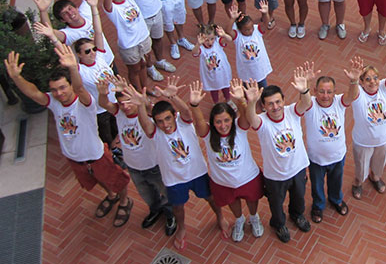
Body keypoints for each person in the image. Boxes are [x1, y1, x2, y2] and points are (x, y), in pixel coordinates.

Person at [5, 46, 132, 227]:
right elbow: (34, 93)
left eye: (63, 87)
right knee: (97, 180)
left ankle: (125, 201)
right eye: (54, 89)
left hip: (96, 155)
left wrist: (73, 67)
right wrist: (17, 77)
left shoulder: (84, 103)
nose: (59, 93)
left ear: (70, 85)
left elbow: (80, 89)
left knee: (117, 180)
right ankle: (111, 196)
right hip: (74, 158)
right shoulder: (54, 103)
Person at [120, 78, 227, 251]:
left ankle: (220, 217)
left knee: (210, 197)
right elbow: (145, 125)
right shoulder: (155, 132)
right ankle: (182, 227)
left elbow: (186, 111)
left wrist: (173, 97)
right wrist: (141, 105)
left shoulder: (184, 124)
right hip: (174, 179)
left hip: (197, 172)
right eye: (160, 121)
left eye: (168, 119)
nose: (165, 124)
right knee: (178, 206)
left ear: (174, 116)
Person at [34, 0, 119, 150]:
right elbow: (55, 39)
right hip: (99, 111)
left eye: (93, 49)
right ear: (78, 55)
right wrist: (45, 16)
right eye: (87, 51)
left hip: (113, 102)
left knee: (118, 129)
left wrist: (94, 8)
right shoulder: (79, 69)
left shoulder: (100, 57)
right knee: (106, 136)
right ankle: (112, 154)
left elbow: (98, 30)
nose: (92, 52)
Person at [241, 63, 316, 243]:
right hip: (275, 176)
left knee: (299, 198)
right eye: (270, 104)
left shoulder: (292, 112)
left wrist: (304, 89)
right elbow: (251, 118)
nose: (275, 107)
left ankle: (297, 215)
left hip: (297, 169)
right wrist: (251, 102)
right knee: (276, 204)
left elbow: (307, 103)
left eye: (278, 102)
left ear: (283, 100)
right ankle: (279, 223)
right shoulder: (262, 122)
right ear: (264, 106)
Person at [96, 76, 176, 235]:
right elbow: (103, 103)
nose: (125, 106)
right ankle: (155, 210)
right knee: (147, 194)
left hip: (154, 166)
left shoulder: (147, 114)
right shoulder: (119, 113)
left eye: (129, 101)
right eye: (121, 103)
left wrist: (142, 100)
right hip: (133, 167)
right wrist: (103, 93)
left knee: (166, 193)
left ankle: (171, 215)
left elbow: (149, 107)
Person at [189, 79, 265, 242]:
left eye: (226, 120)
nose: (223, 125)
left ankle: (253, 217)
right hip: (223, 181)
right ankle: (239, 220)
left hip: (247, 177)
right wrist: (194, 106)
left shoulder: (240, 127)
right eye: (218, 121)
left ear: (232, 119)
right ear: (213, 122)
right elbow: (199, 122)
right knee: (233, 202)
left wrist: (241, 100)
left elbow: (246, 115)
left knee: (252, 200)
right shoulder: (208, 133)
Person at [346, 49, 386, 199]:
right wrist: (353, 80)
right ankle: (358, 183)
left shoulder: (383, 88)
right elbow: (352, 93)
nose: (372, 81)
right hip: (363, 142)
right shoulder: (359, 93)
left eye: (375, 78)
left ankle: (376, 177)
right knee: (361, 168)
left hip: (384, 139)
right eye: (367, 79)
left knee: (379, 164)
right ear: (361, 82)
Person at [302, 71, 358, 223]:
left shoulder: (339, 102)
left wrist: (354, 81)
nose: (325, 96)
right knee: (317, 185)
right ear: (315, 91)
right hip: (316, 159)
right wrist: (305, 84)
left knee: (336, 181)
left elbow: (351, 95)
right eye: (321, 91)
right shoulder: (310, 105)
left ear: (335, 92)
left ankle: (336, 199)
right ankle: (318, 205)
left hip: (338, 156)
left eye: (329, 92)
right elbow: (304, 98)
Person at [95, 0, 151, 93]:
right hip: (129, 44)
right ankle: (137, 91)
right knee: (134, 69)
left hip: (143, 38)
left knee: (144, 64)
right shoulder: (111, 8)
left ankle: (145, 89)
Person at [230, 1, 273, 89]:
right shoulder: (238, 36)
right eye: (247, 30)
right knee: (247, 89)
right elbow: (228, 31)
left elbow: (266, 23)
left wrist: (265, 13)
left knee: (263, 88)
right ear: (239, 29)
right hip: (246, 70)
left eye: (251, 28)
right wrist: (232, 19)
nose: (250, 31)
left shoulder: (257, 31)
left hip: (259, 68)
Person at [192, 23, 234, 105]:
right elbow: (194, 52)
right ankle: (216, 103)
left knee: (226, 86)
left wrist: (224, 35)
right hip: (210, 74)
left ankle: (228, 100)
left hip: (222, 72)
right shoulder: (201, 48)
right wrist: (198, 44)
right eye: (206, 40)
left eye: (212, 39)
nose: (210, 42)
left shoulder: (218, 42)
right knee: (214, 89)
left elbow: (230, 40)